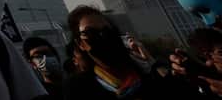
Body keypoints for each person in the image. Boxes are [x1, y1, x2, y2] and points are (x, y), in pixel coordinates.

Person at [63, 6, 193, 99]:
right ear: (80, 44)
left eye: (106, 30)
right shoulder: (78, 88)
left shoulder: (145, 70)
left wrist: (154, 67)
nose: (102, 36)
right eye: (90, 33)